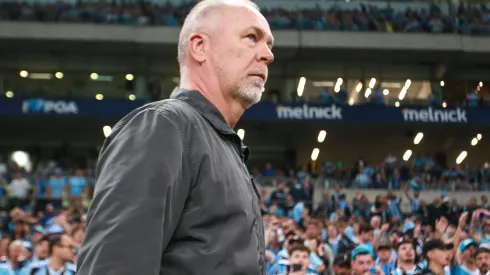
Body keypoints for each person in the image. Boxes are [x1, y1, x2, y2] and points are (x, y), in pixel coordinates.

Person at [76, 0, 274, 274]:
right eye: (251, 37)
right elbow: (113, 266)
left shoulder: (219, 142)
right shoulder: (165, 125)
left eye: (269, 44)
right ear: (199, 47)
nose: (267, 54)